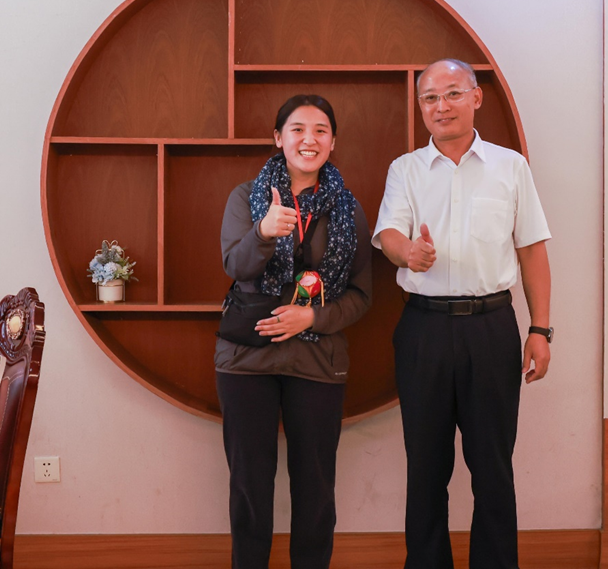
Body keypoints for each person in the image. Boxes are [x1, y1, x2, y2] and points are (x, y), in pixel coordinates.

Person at [373, 59, 552, 569]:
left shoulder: (510, 167)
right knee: (426, 469)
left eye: (452, 93)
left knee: (493, 467)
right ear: (420, 107)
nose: (441, 106)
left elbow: (532, 250)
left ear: (475, 97)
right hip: (423, 329)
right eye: (430, 97)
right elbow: (389, 234)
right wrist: (408, 252)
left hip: (491, 328)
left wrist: (540, 329)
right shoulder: (406, 169)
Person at [215, 94, 372, 569]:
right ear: (278, 138)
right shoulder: (246, 197)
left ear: (333, 142)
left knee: (316, 489)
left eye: (320, 130)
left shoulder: (349, 208)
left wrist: (312, 318)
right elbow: (235, 266)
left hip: (317, 359)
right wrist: (263, 232)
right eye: (297, 129)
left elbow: (361, 295)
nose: (309, 139)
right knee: (249, 486)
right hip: (247, 359)